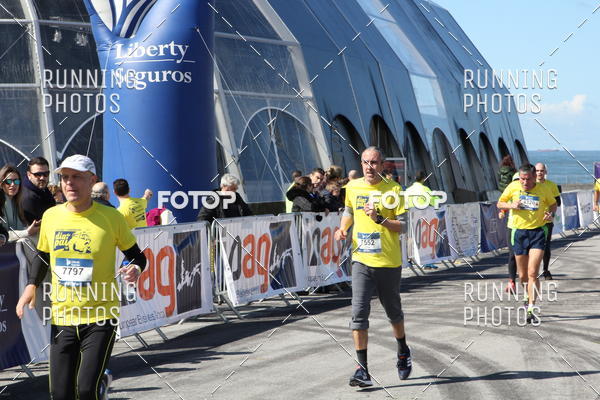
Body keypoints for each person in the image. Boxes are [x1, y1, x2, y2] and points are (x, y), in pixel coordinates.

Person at [15, 154, 147, 400]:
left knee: (86, 390)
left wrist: (135, 269)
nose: (69, 183)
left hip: (101, 316)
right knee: (60, 394)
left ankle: (99, 385)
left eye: (76, 177)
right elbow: (43, 255)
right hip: (62, 316)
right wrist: (31, 286)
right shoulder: (52, 216)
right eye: (65, 177)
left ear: (92, 180)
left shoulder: (111, 217)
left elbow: (138, 257)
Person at [334, 146, 410, 387]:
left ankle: (403, 350)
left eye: (374, 162)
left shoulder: (394, 190)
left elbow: (404, 226)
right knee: (358, 313)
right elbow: (349, 210)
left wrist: (380, 220)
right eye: (365, 162)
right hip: (361, 260)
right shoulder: (353, 187)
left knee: (393, 314)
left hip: (388, 261)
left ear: (382, 165)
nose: (369, 167)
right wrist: (343, 228)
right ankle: (363, 370)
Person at [497, 164, 557, 324]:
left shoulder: (544, 189)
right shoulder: (513, 187)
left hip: (538, 232)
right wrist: (511, 205)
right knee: (523, 275)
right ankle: (526, 293)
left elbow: (553, 204)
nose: (524, 182)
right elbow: (500, 203)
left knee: (532, 273)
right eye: (522, 179)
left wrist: (550, 214)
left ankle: (531, 307)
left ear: (534, 177)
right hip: (519, 233)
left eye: (528, 179)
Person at [0, 165, 40, 242]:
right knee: (25, 241)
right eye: (8, 181)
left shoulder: (18, 202)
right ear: (1, 183)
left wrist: (32, 228)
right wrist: (27, 232)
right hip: (5, 245)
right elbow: (3, 235)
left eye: (16, 181)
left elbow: (19, 228)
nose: (13, 184)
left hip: (14, 244)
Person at [535, 163, 561, 280]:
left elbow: (558, 202)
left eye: (542, 170)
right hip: (532, 221)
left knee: (546, 246)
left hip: (546, 221)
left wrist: (550, 211)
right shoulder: (530, 184)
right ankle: (532, 271)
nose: (539, 173)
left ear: (545, 172)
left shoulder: (551, 185)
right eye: (537, 171)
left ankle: (545, 270)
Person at [20, 157, 56, 225]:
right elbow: (35, 226)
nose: (42, 178)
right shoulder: (27, 197)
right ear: (29, 175)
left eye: (46, 174)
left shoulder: (42, 189)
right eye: (37, 174)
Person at [499, 172, 519, 293]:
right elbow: (504, 205)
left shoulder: (530, 192)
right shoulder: (512, 190)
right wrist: (502, 212)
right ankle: (512, 281)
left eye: (519, 180)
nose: (517, 183)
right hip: (512, 227)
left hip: (529, 229)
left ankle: (528, 279)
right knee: (512, 254)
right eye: (515, 180)